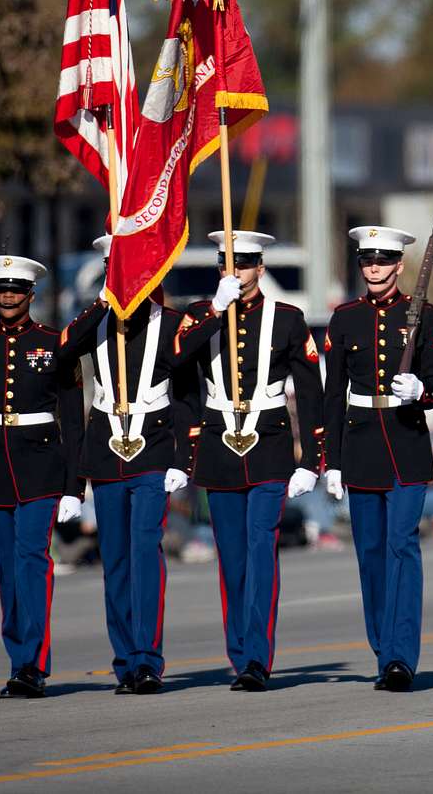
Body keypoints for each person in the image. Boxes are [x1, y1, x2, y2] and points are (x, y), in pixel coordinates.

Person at [170, 231, 325, 691]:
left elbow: (311, 391)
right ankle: (239, 653)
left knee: (261, 550)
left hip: (270, 444)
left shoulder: (289, 319)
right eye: (227, 266)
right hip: (219, 445)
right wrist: (215, 311)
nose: (235, 274)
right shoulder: (201, 315)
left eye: (244, 266)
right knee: (231, 558)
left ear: (260, 268)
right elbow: (176, 362)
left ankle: (258, 657)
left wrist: (311, 459)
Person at [57, 237, 199, 696]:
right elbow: (64, 352)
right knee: (114, 560)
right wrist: (103, 302)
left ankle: (147, 660)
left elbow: (187, 391)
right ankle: (124, 659)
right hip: (106, 448)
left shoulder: (171, 322)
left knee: (144, 551)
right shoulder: (96, 320)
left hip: (154, 446)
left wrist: (183, 456)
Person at [0, 253, 86, 696]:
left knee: (32, 562)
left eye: (16, 290)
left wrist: (73, 486)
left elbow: (72, 418)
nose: (8, 297)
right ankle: (17, 658)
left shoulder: (53, 342)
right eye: (1, 290)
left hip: (42, 468)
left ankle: (32, 665)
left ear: (31, 294)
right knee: (6, 569)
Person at [322, 225, 433, 692]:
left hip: (407, 445)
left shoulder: (425, 316)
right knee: (370, 556)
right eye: (366, 260)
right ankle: (383, 648)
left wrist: (420, 390)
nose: (373, 267)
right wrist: (329, 461)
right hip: (360, 446)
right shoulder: (345, 318)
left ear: (399, 265)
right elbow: (333, 395)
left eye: (382, 260)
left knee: (402, 546)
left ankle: (400, 657)